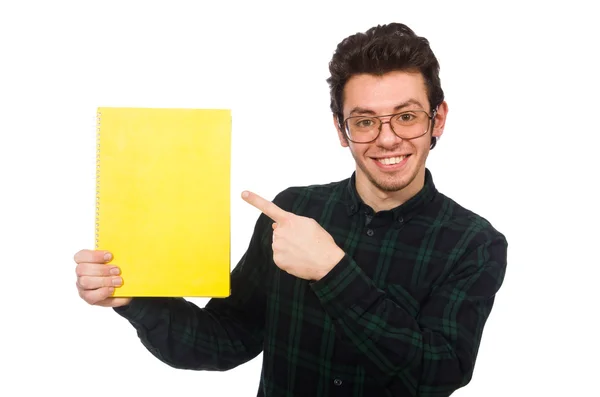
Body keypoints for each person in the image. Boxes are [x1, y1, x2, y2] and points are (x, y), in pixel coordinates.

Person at [74, 22, 507, 397]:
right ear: (341, 129)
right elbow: (224, 340)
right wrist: (134, 298)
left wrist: (332, 272)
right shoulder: (293, 211)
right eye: (365, 120)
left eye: (407, 116)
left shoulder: (474, 244)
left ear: (439, 119)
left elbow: (438, 374)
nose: (388, 138)